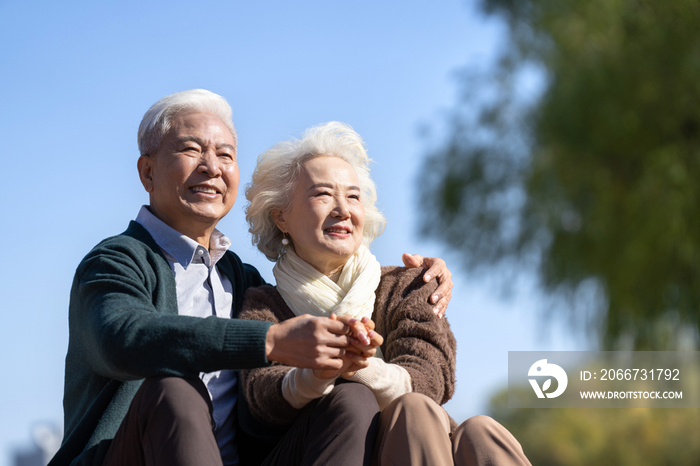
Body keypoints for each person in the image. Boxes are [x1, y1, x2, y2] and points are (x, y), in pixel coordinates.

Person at [49, 89, 455, 466]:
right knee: (176, 390)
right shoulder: (115, 261)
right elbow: (122, 338)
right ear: (148, 171)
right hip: (130, 455)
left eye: (225, 155)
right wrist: (270, 342)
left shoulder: (243, 282)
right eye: (192, 149)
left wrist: (425, 274)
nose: (211, 167)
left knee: (350, 402)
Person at [239, 122, 532, 465]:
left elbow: (430, 376)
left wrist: (359, 366)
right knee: (412, 410)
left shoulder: (406, 285)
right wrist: (317, 372)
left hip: (417, 436)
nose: (342, 209)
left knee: (481, 432)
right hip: (317, 449)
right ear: (281, 216)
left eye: (352, 196)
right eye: (322, 194)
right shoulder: (263, 306)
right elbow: (262, 393)